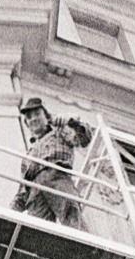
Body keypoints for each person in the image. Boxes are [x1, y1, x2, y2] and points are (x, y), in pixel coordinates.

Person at [11, 97, 93, 227]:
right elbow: (23, 190)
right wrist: (9, 212)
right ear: (26, 123)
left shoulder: (60, 132)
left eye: (37, 113)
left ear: (47, 116)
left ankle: (83, 239)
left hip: (57, 177)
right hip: (35, 192)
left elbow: (84, 139)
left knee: (70, 215)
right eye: (29, 117)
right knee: (37, 229)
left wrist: (72, 122)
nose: (33, 119)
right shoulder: (28, 155)